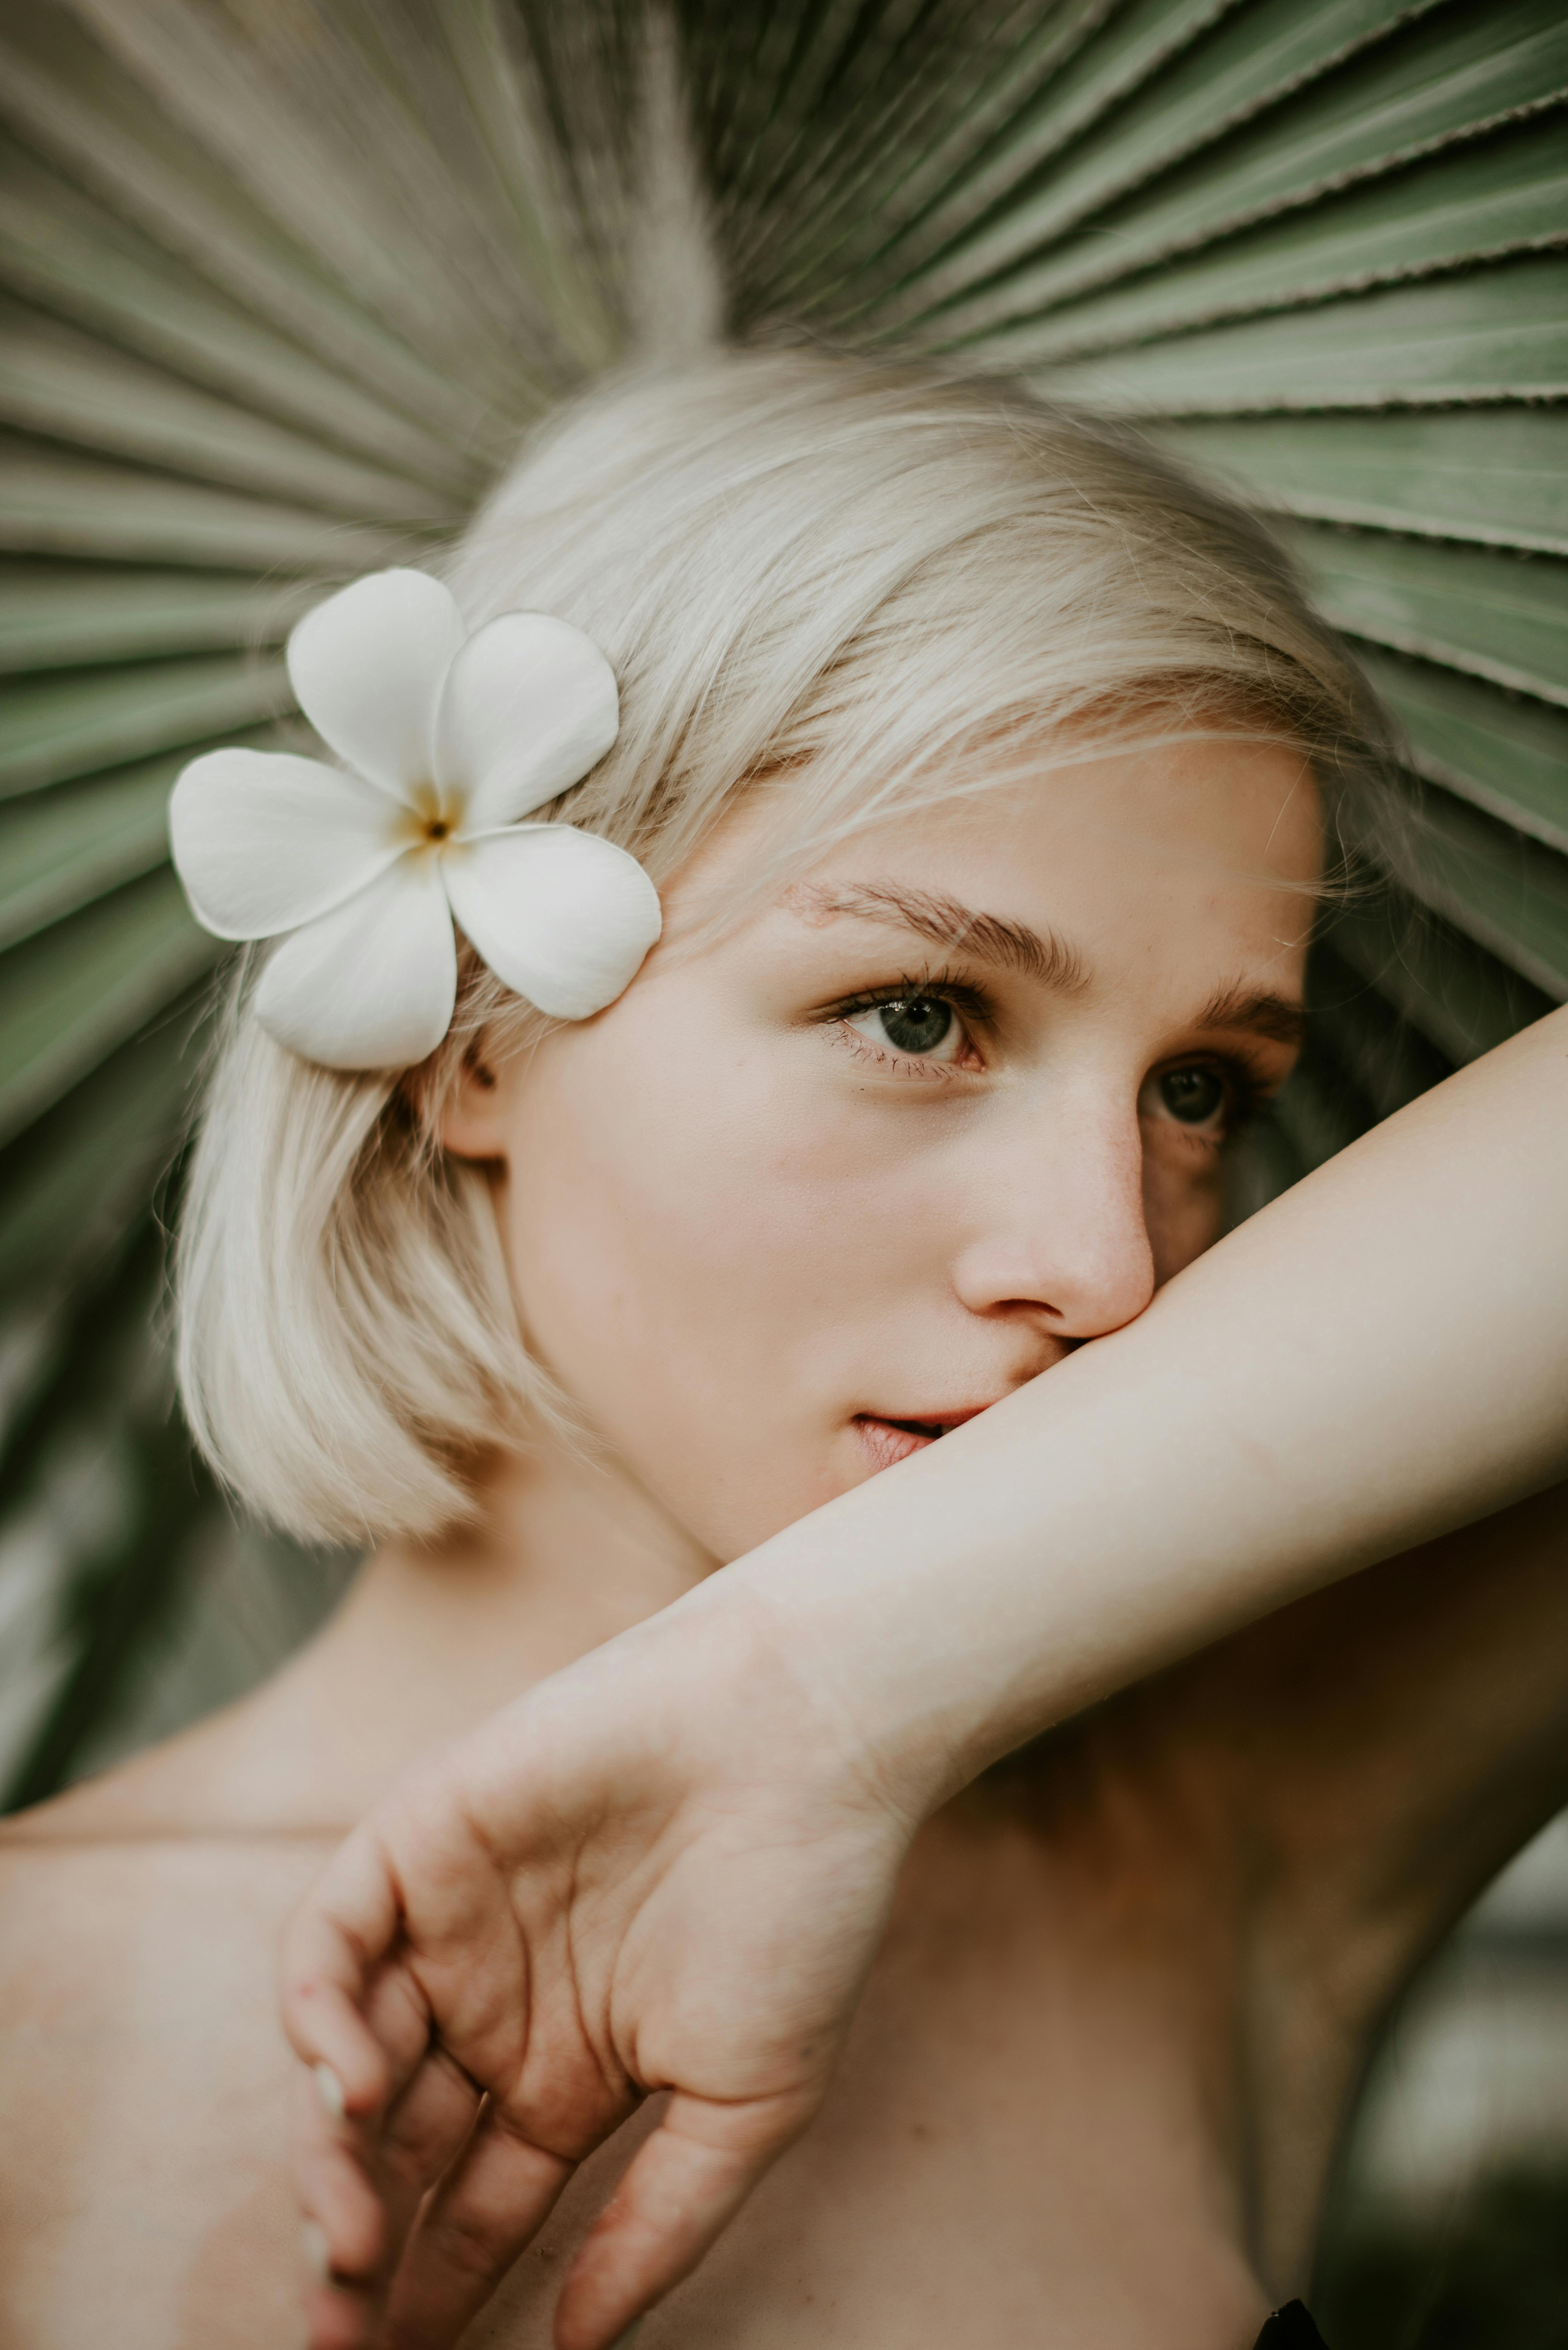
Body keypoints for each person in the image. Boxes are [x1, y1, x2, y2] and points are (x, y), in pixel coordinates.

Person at [1, 350, 1563, 2350]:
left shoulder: (1221, 1849)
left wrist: (823, 1701)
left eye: (1199, 1089)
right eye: (923, 1015)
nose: (1108, 1265)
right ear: (479, 1031)